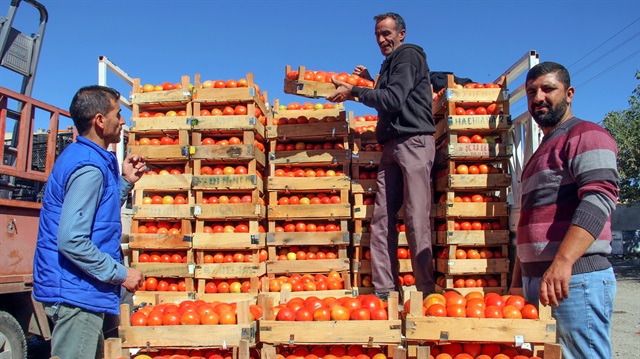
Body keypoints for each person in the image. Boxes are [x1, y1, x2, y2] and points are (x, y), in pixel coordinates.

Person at [510, 62, 619, 359]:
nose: (538, 97)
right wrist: (518, 281)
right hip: (540, 281)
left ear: (569, 93)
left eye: (548, 89)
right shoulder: (540, 152)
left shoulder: (586, 134)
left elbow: (599, 197)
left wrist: (563, 262)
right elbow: (528, 221)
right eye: (531, 92)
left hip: (573, 280)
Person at [33, 85, 146, 359]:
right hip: (77, 296)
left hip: (82, 289)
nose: (122, 122)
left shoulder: (88, 158)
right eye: (118, 115)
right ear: (99, 120)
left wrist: (125, 182)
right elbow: (72, 239)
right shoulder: (89, 167)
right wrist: (122, 274)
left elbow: (98, 215)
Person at [328, 12, 436, 299]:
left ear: (401, 33)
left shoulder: (409, 55)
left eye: (387, 33)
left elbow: (393, 98)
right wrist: (369, 84)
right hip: (391, 146)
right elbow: (389, 99)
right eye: (377, 34)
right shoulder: (390, 65)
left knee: (415, 218)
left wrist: (355, 91)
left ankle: (425, 290)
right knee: (381, 220)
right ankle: (385, 291)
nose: (381, 39)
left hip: (414, 142)